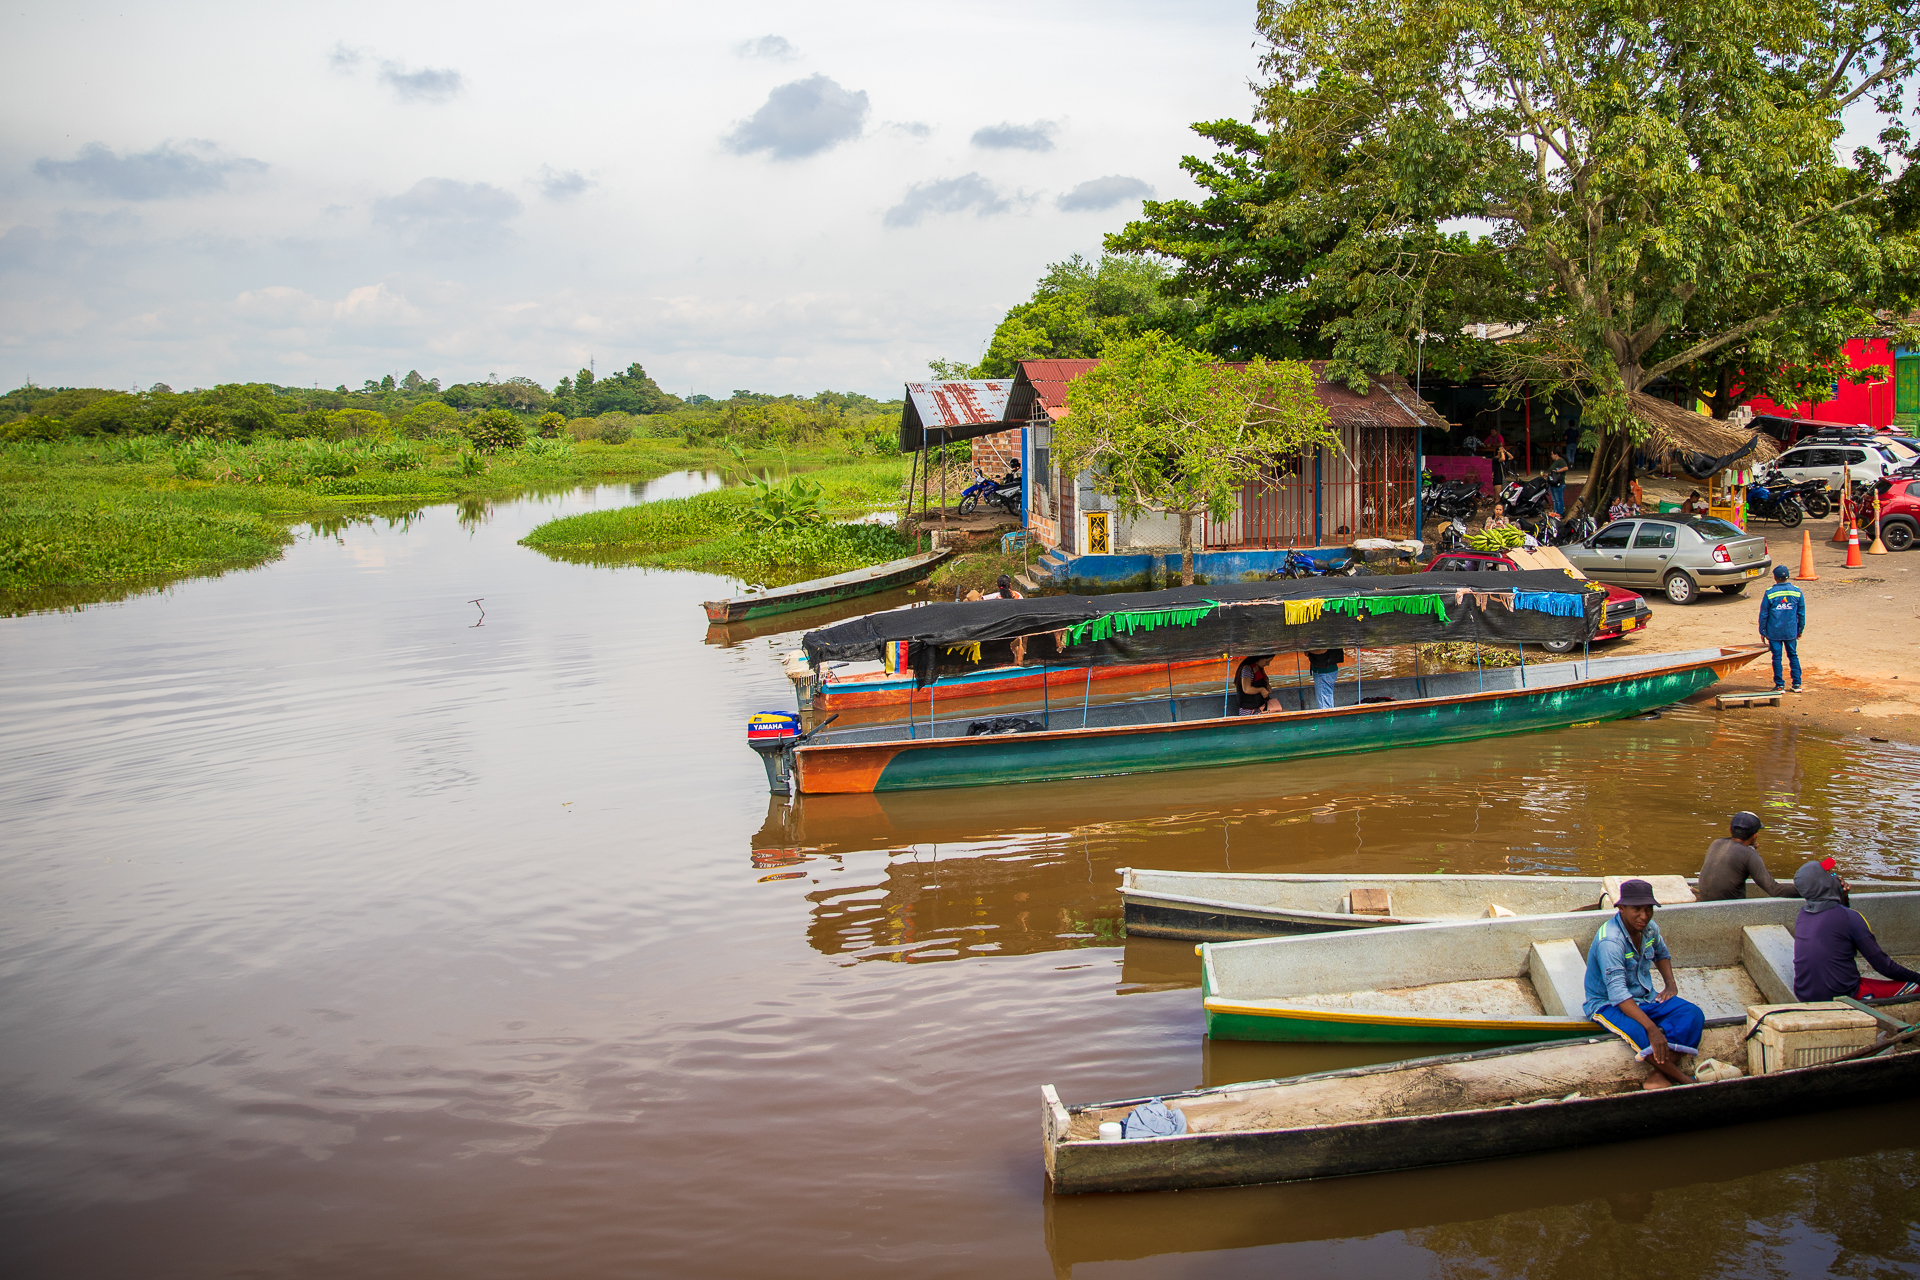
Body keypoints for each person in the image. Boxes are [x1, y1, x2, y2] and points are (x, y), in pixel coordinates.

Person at [1581, 879, 1705, 1088]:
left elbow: (1661, 953)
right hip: (1608, 1004)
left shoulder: (1649, 928)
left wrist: (1671, 986)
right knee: (1640, 1032)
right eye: (1637, 910)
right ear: (1621, 908)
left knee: (1692, 1014)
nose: (1644, 916)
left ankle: (1658, 1075)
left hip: (1644, 998)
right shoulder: (1610, 941)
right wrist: (1651, 1028)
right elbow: (1618, 994)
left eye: (1648, 910)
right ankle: (1682, 1079)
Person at [1791, 860, 1920, 1002]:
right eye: (1829, 873)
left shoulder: (1803, 915)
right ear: (1824, 884)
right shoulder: (1850, 917)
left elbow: (1835, 921)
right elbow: (1883, 966)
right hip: (1838, 995)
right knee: (1914, 986)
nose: (1836, 876)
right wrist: (1918, 978)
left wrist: (1842, 898)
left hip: (1804, 993)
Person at [1695, 810, 1800, 901]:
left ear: (1730, 830)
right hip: (1730, 911)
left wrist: (1750, 849)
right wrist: (1808, 890)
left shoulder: (1716, 843)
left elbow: (1736, 853)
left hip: (1706, 904)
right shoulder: (1750, 855)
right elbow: (1775, 890)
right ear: (1755, 835)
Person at [1759, 564, 1806, 694]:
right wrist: (1800, 629)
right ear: (1788, 577)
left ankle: (1779, 685)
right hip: (1791, 630)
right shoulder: (1797, 591)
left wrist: (1762, 631)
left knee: (1776, 658)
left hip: (1774, 631)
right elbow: (1801, 613)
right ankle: (1797, 684)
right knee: (1793, 655)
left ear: (1775, 578)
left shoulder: (1770, 592)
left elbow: (1764, 614)